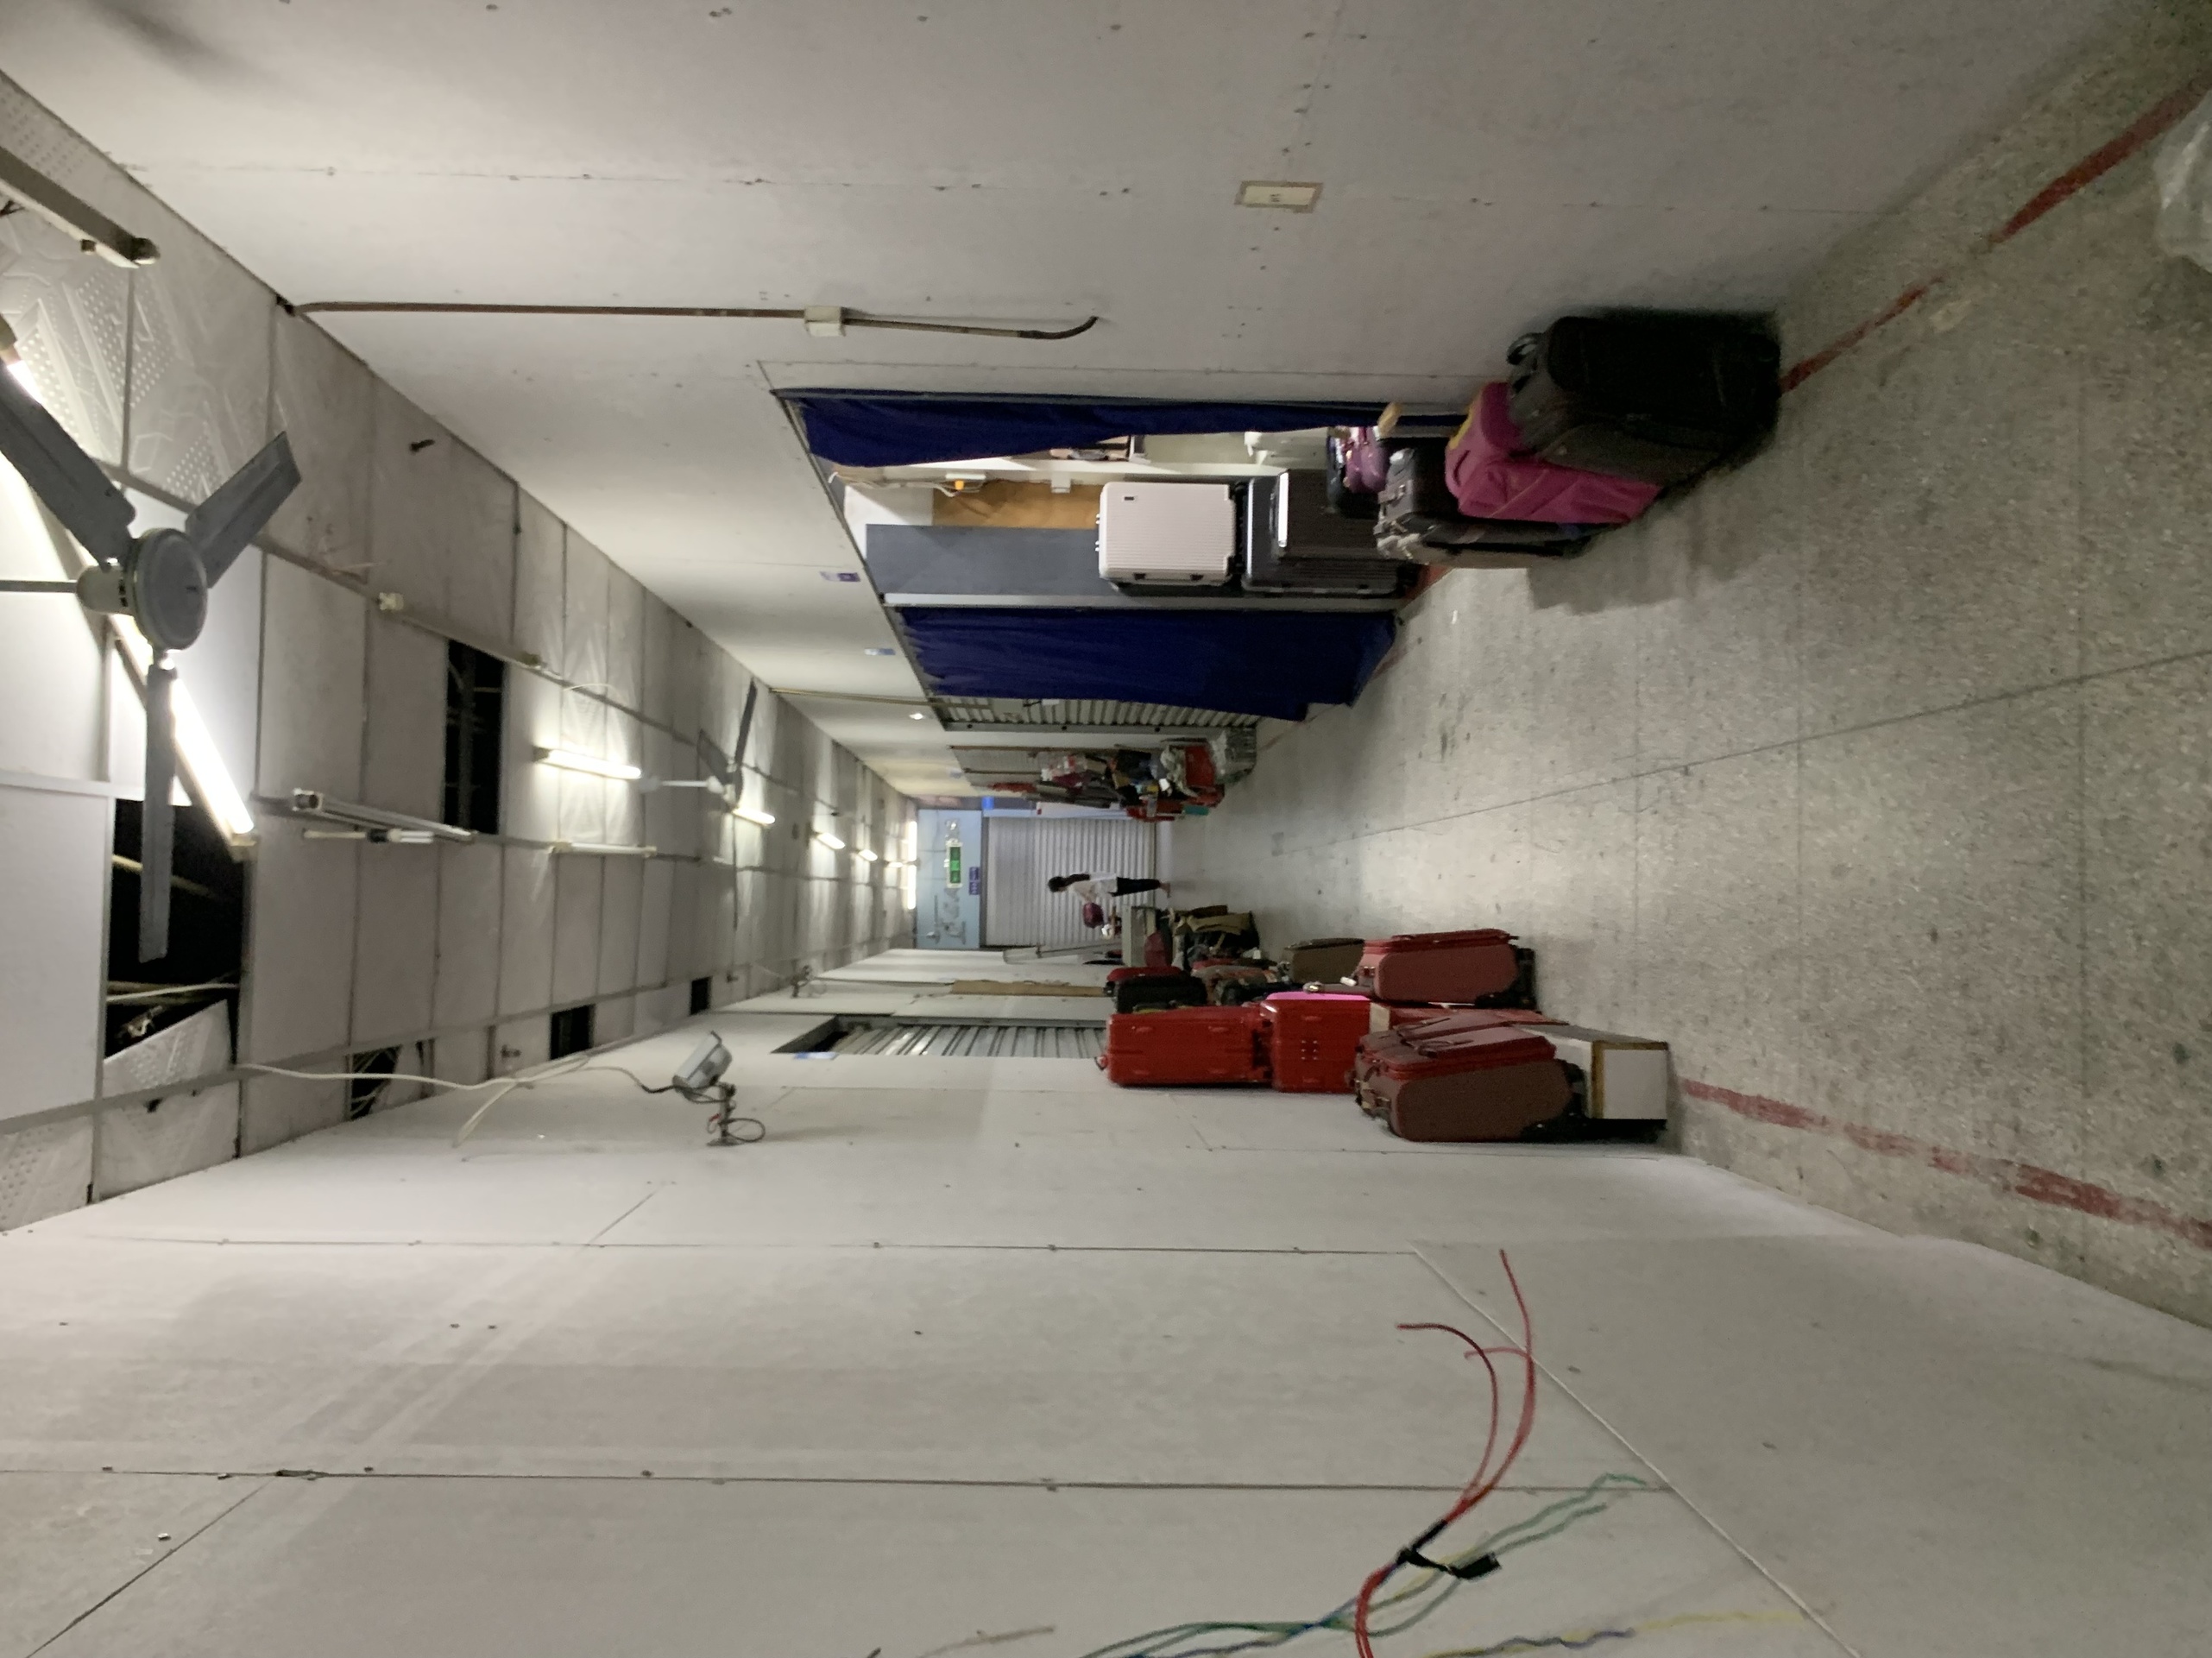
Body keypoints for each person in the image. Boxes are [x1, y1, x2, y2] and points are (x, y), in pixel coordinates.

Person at [1047, 872, 1167, 931]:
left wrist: (1088, 908)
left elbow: (1088, 899)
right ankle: (1159, 884)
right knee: (1135, 882)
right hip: (1109, 879)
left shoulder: (1072, 888)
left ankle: (1160, 885)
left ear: (1059, 888)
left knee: (1136, 887)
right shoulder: (1073, 878)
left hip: (1109, 888)